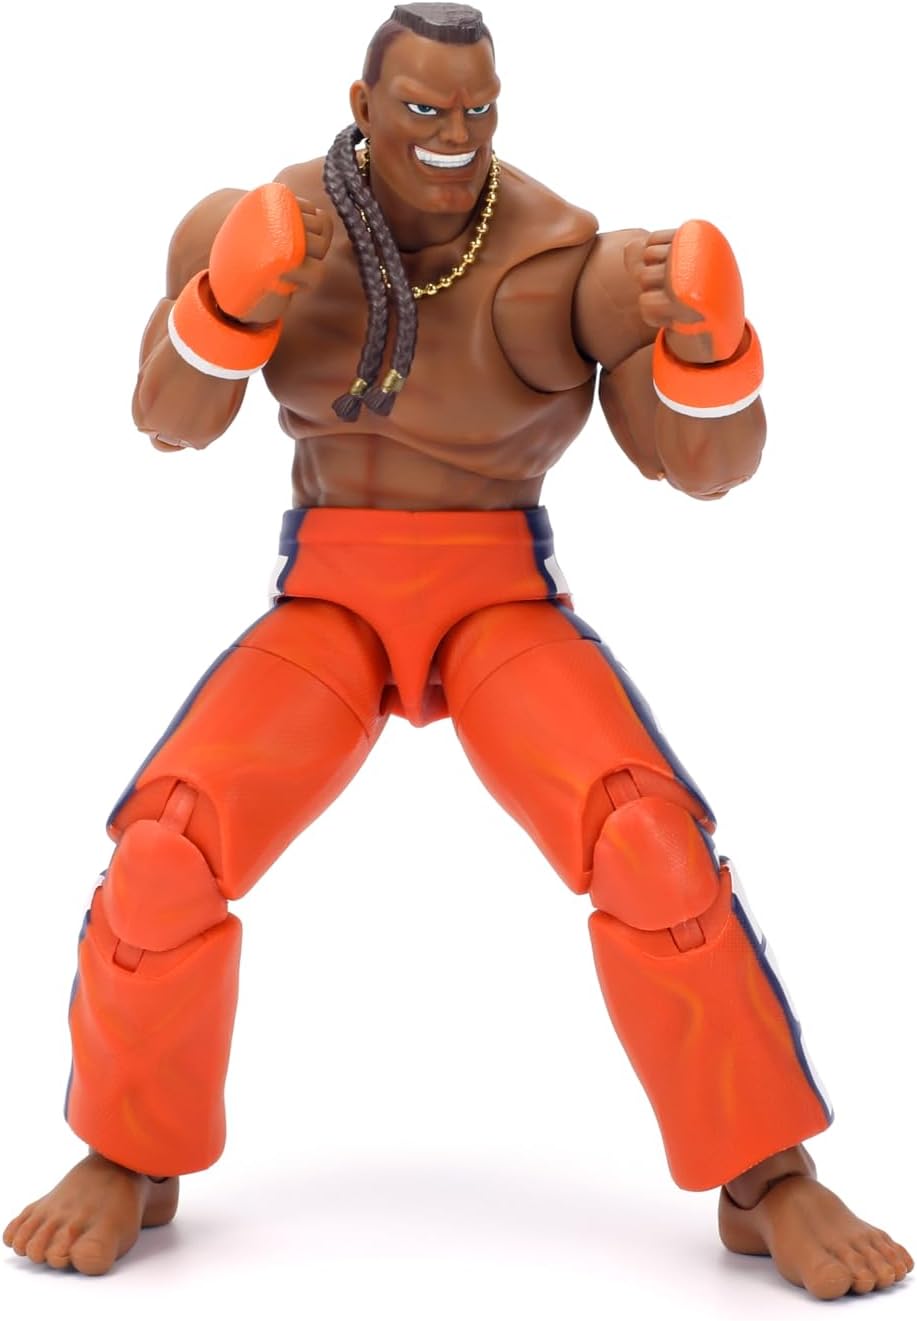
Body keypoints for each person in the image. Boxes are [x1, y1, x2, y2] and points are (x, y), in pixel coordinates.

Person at [4, 2, 912, 1297]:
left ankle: (768, 1176)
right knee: (167, 843)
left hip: (495, 596)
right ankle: (125, 1148)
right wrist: (227, 300)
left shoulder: (564, 261)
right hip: (332, 593)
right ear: (363, 105)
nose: (454, 133)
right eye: (425, 107)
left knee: (647, 836)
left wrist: (709, 348)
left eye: (479, 109)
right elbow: (168, 422)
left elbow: (704, 469)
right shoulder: (256, 223)